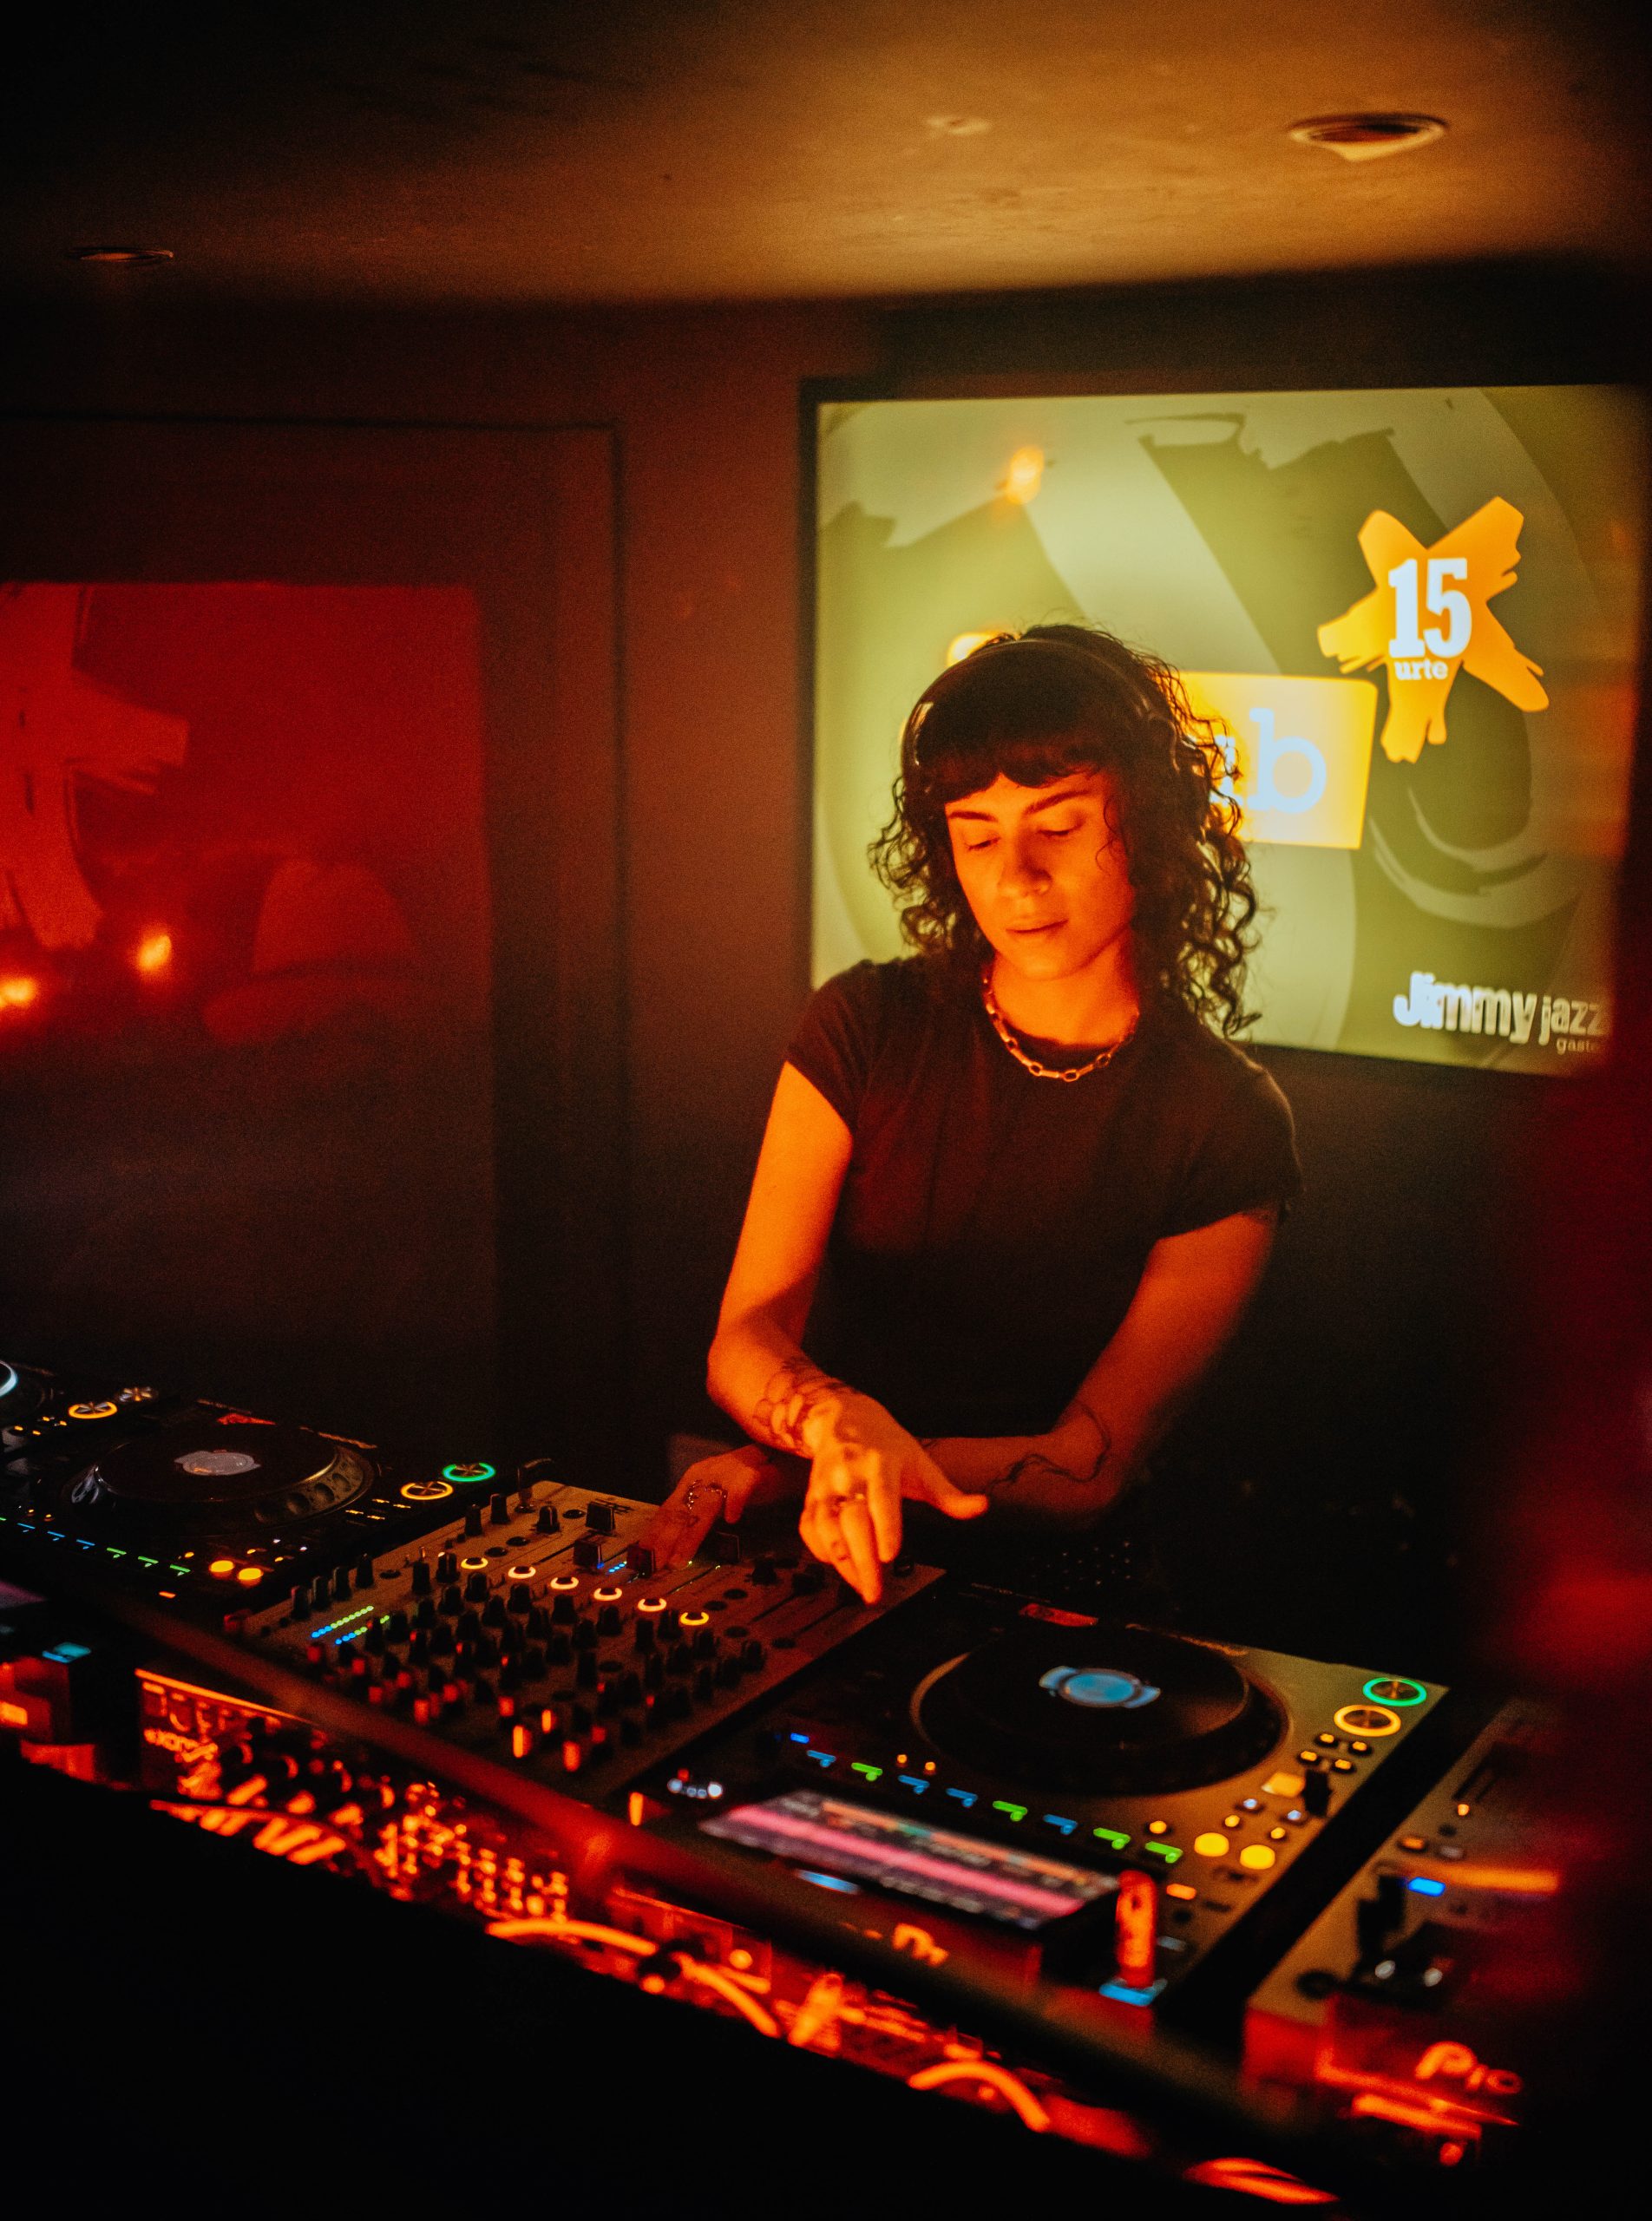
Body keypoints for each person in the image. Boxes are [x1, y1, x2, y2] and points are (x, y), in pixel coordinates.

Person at [641, 625, 1301, 1604]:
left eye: (1059, 827)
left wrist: (817, 1464)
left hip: (1053, 1589)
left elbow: (1085, 1467)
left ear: (1152, 825)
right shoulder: (864, 1023)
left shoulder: (1227, 1120)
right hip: (833, 1540)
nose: (1015, 876)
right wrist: (832, 1425)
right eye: (977, 836)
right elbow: (745, 1334)